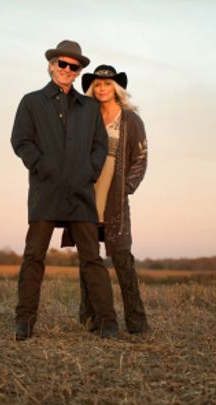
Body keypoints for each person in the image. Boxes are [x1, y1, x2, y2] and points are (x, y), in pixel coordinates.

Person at [10, 41, 118, 340]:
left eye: (74, 67)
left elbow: (101, 145)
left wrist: (89, 172)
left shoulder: (89, 108)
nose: (67, 70)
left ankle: (108, 322)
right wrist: (41, 166)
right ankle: (24, 321)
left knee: (92, 259)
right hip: (45, 190)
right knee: (34, 256)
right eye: (62, 64)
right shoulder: (31, 102)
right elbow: (20, 140)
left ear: (79, 71)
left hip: (81, 194)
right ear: (51, 65)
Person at [74, 64, 149, 334]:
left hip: (115, 196)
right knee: (89, 257)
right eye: (97, 84)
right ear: (93, 89)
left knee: (122, 257)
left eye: (107, 84)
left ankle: (137, 323)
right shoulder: (86, 117)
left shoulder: (131, 120)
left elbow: (141, 159)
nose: (102, 88)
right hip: (87, 193)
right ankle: (92, 319)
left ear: (116, 88)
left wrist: (126, 188)